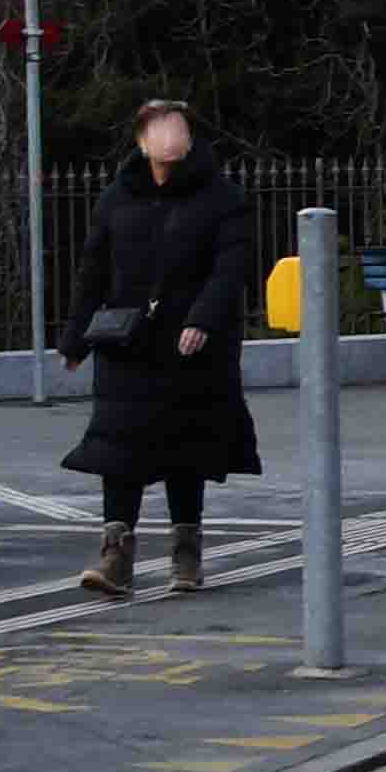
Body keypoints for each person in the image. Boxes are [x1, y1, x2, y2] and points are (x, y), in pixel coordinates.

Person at [57, 97, 260, 598]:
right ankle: (115, 556)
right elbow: (93, 270)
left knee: (185, 448)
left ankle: (186, 550)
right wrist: (75, 337)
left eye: (178, 128)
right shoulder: (117, 197)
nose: (170, 137)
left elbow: (230, 269)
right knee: (116, 449)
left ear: (190, 139)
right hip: (127, 344)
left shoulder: (222, 198)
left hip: (193, 348)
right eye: (159, 129)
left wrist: (203, 319)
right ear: (141, 141)